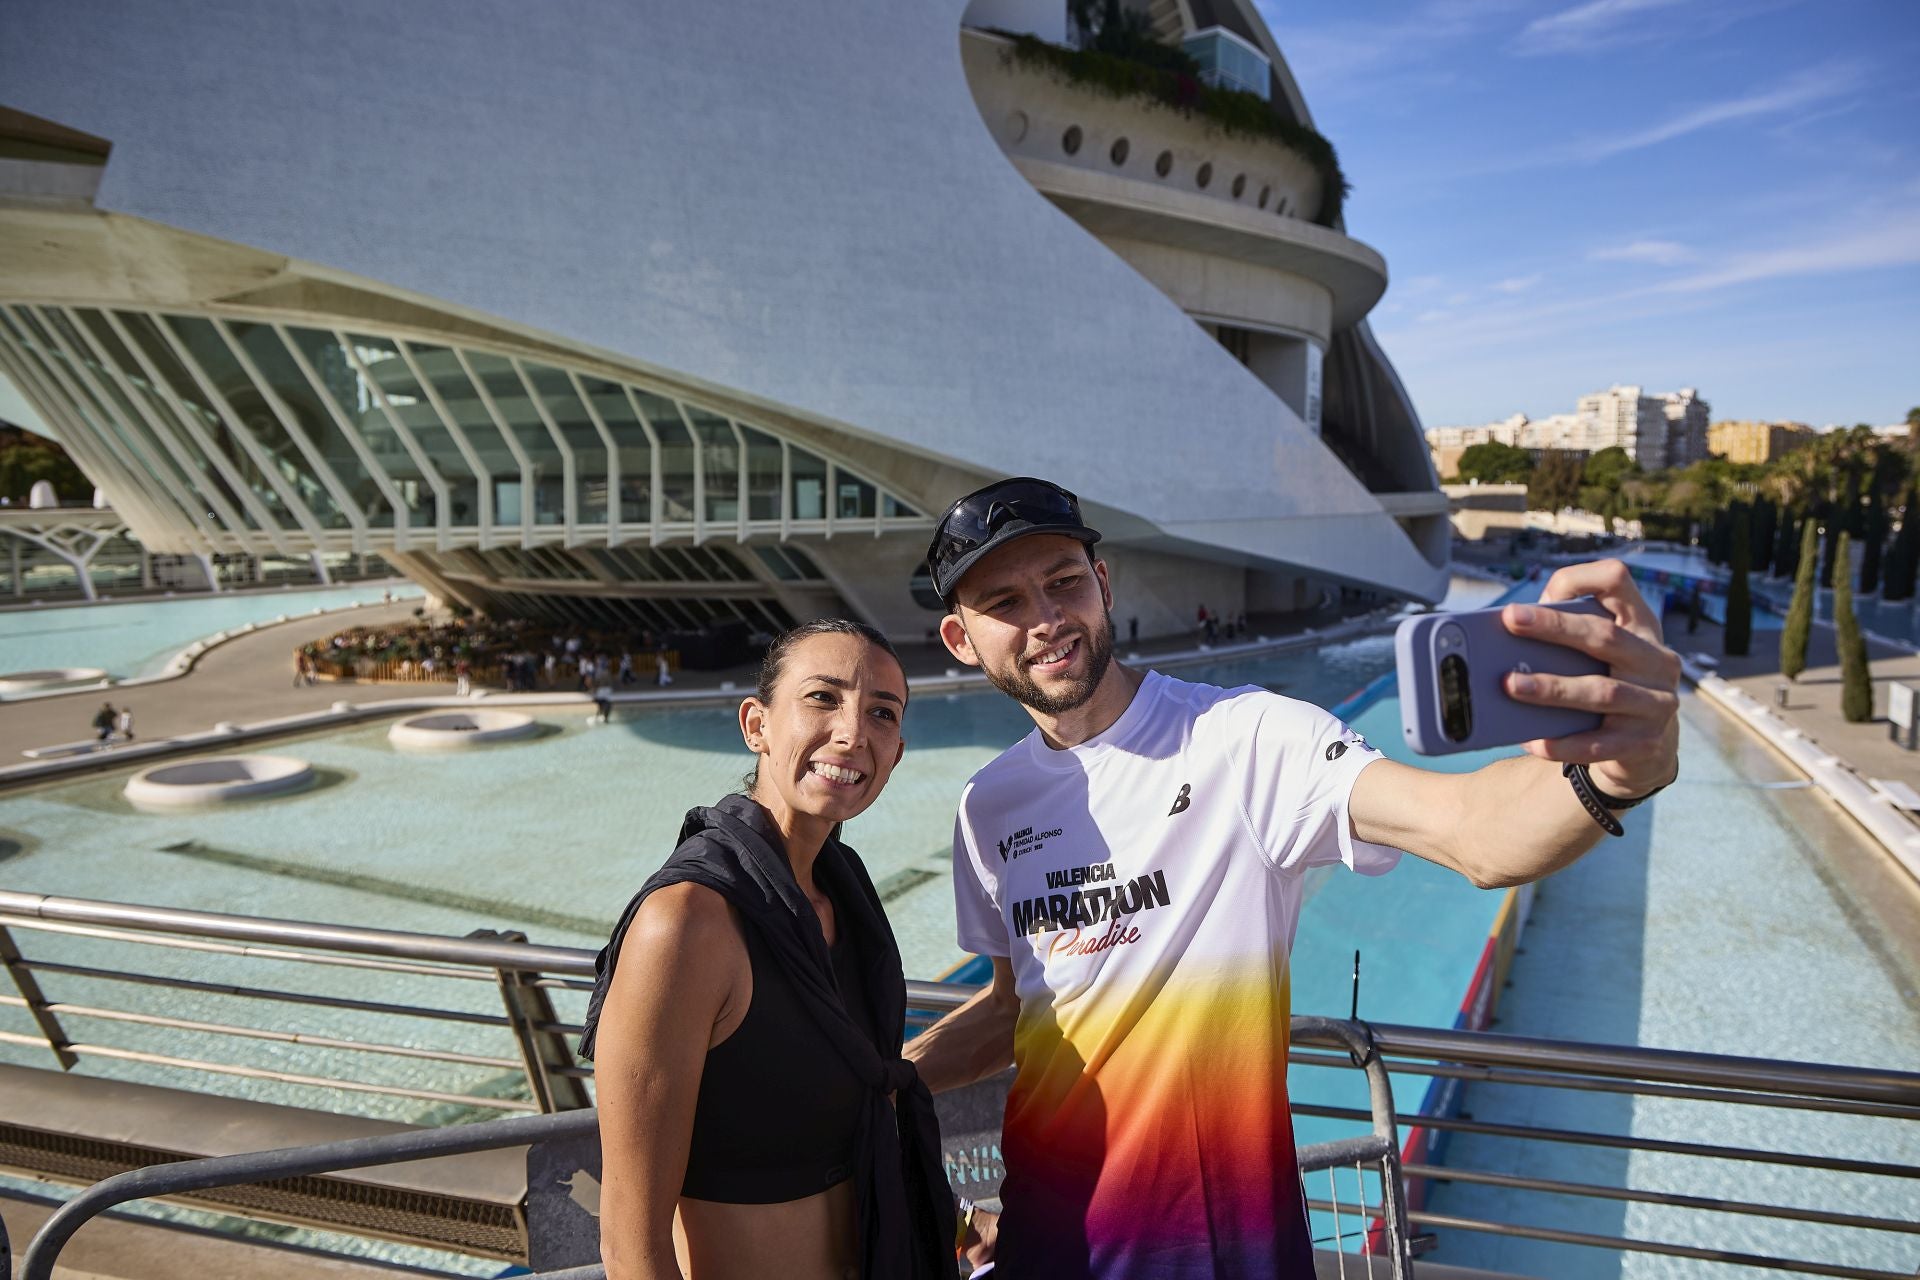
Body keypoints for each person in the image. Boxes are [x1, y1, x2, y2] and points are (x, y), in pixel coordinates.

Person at [903, 476, 1680, 1278]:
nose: (1046, 619)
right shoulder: (988, 806)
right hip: (1045, 1241)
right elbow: (1013, 1006)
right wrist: (885, 1081)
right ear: (962, 640)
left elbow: (1473, 834)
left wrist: (1617, 775)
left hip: (1220, 1247)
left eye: (1063, 582)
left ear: (1103, 585)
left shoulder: (1245, 739)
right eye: (1005, 603)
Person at [581, 619, 956, 1279]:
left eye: (881, 713)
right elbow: (631, 1244)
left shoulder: (843, 901)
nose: (851, 732)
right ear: (757, 725)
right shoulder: (688, 924)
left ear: (896, 753)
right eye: (822, 698)